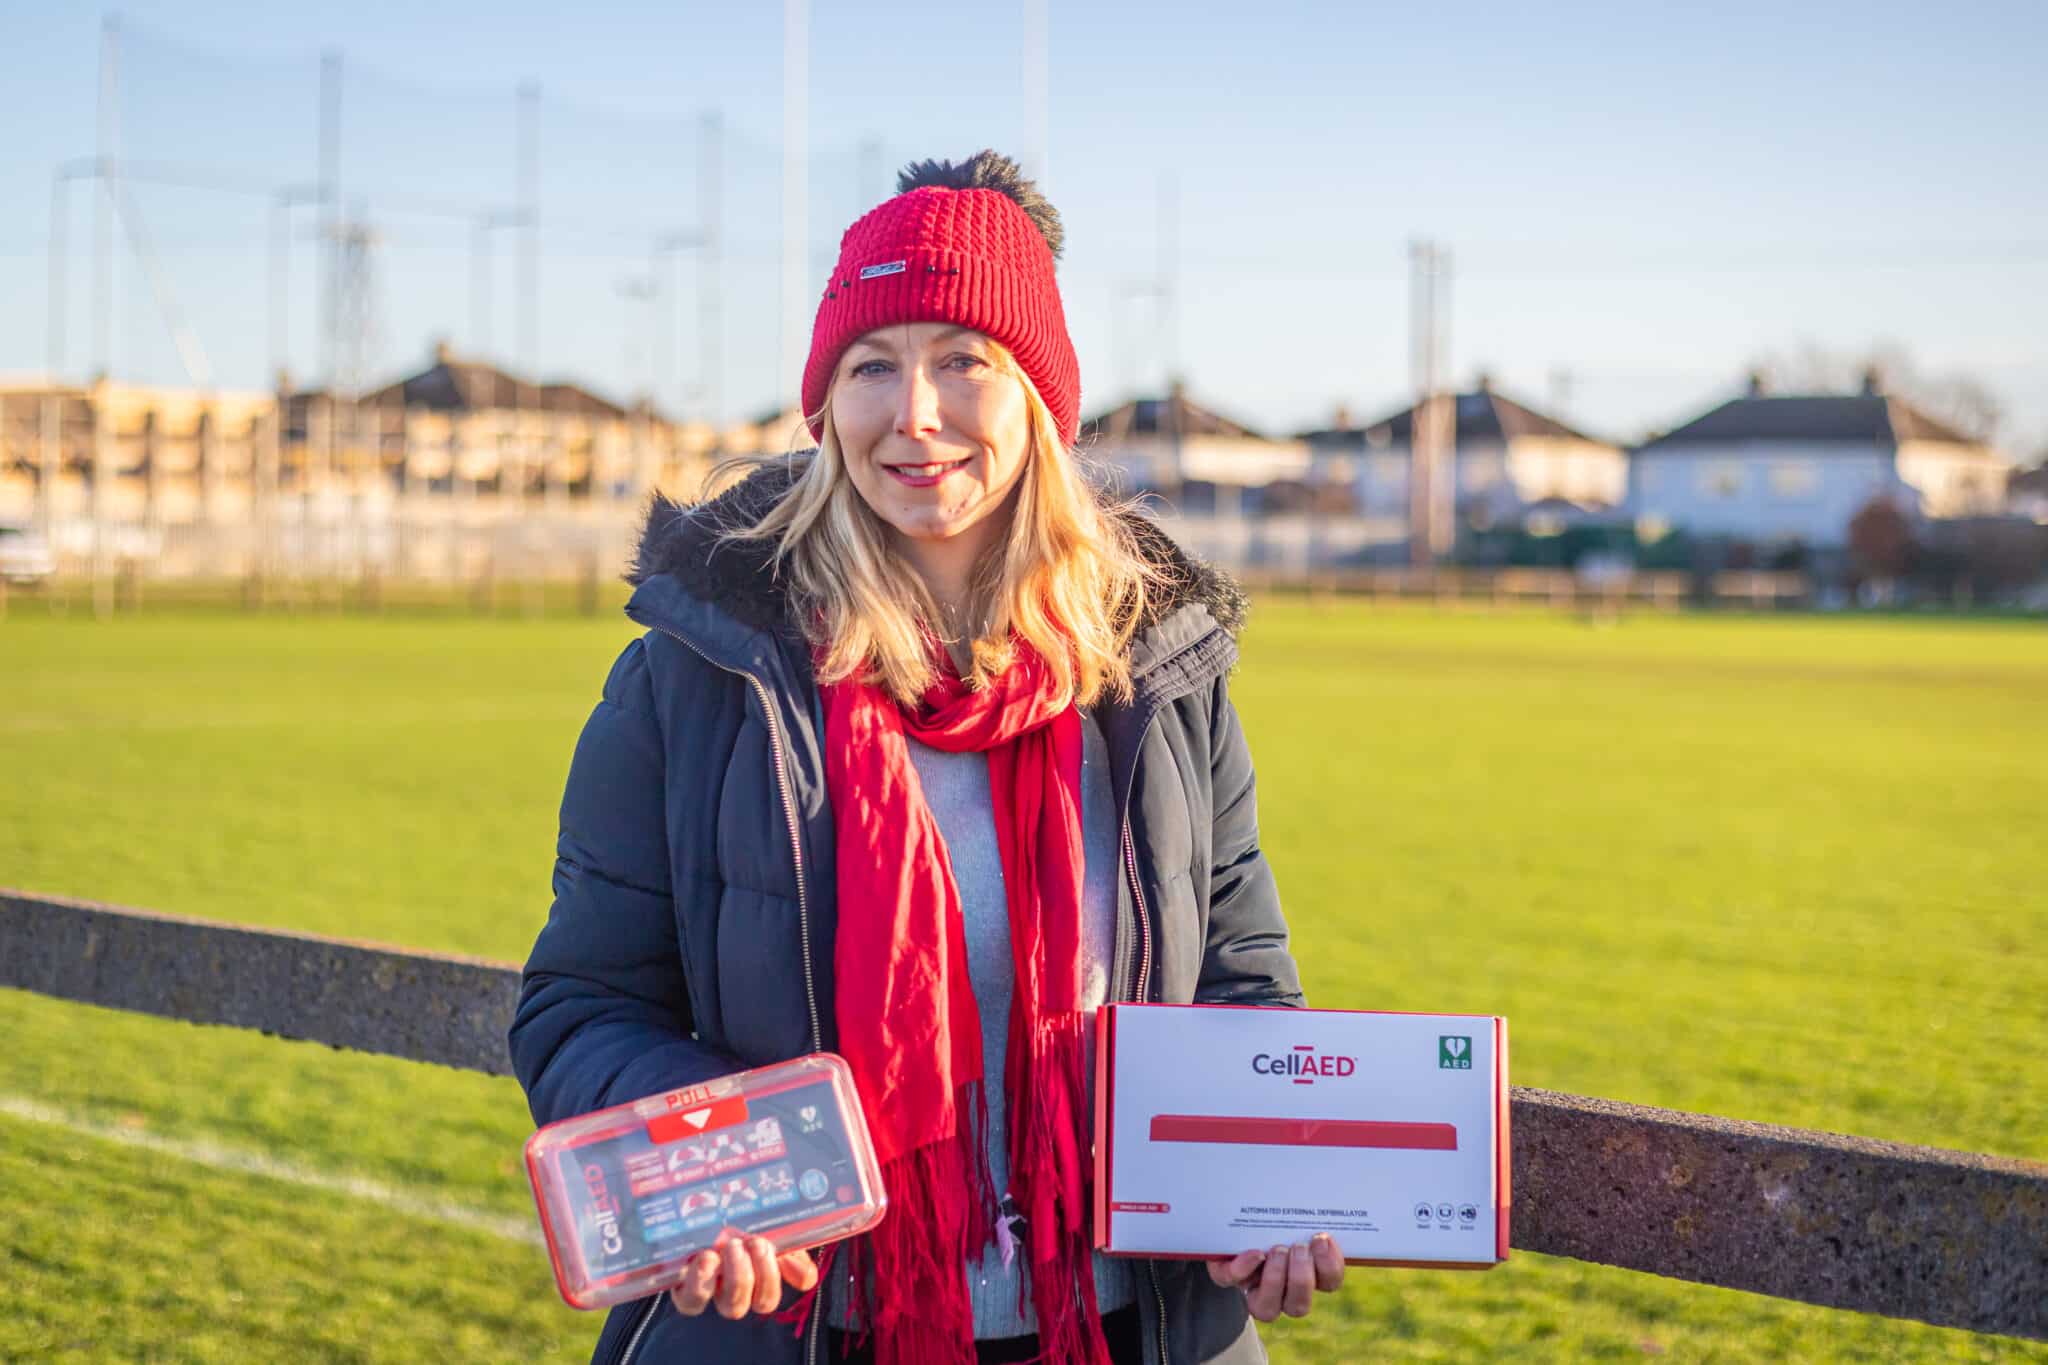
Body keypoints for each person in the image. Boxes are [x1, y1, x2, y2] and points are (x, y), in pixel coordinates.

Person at [510, 150, 1342, 1365]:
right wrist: (703, 1162)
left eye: (962, 360)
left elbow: (1240, 986)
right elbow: (583, 1006)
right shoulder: (695, 678)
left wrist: (1272, 1189)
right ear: (824, 405)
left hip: (1131, 1329)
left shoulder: (1157, 676)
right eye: (869, 366)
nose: (912, 413)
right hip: (801, 1328)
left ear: (1039, 401)